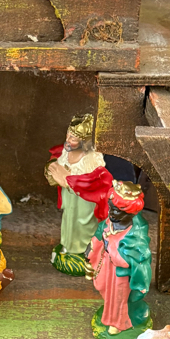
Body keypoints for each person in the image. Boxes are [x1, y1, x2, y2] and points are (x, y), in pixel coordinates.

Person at [85, 180, 152, 336]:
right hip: (107, 265)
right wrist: (92, 248)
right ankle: (110, 315)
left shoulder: (136, 234)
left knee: (118, 298)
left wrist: (113, 250)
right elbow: (100, 233)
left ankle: (119, 324)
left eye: (119, 211)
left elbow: (136, 257)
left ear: (131, 213)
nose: (113, 214)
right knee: (106, 290)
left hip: (121, 274)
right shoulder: (110, 222)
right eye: (111, 209)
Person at [45, 113, 106, 270]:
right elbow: (61, 166)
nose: (68, 139)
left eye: (73, 138)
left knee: (82, 222)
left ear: (84, 141)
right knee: (69, 219)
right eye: (68, 134)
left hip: (84, 199)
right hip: (70, 195)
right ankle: (68, 246)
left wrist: (69, 180)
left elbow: (93, 181)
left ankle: (84, 250)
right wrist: (54, 169)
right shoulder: (67, 151)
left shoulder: (91, 158)